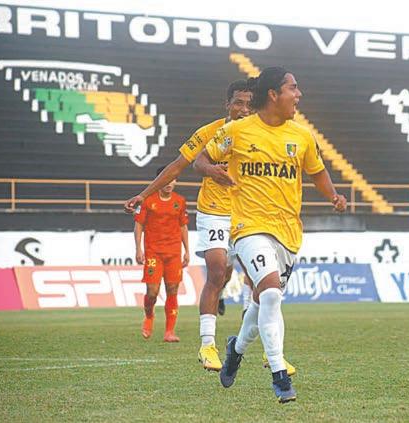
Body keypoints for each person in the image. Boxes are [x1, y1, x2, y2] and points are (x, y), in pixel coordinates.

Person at [195, 66, 347, 403]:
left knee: (262, 300)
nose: (299, 94)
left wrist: (334, 196)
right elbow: (200, 160)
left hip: (288, 232)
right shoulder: (237, 131)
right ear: (274, 94)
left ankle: (236, 349)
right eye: (293, 88)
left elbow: (317, 172)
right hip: (248, 227)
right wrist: (212, 171)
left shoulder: (302, 136)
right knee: (272, 294)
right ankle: (279, 375)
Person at [124, 81, 257, 369]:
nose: (244, 109)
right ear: (228, 104)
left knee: (252, 275)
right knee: (217, 270)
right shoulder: (209, 133)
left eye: (249, 104)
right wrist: (144, 195)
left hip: (248, 213)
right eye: (238, 102)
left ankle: (251, 340)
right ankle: (207, 345)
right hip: (214, 211)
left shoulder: (261, 134)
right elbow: (177, 166)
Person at [134, 166, 189, 342]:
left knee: (172, 289)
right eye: (165, 180)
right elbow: (139, 225)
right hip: (153, 253)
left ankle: (169, 332)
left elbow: (183, 226)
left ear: (176, 181)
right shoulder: (147, 201)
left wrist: (187, 250)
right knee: (152, 292)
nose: (169, 183)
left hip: (173, 253)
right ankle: (149, 316)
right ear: (158, 181)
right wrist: (138, 248)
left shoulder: (180, 201)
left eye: (172, 180)